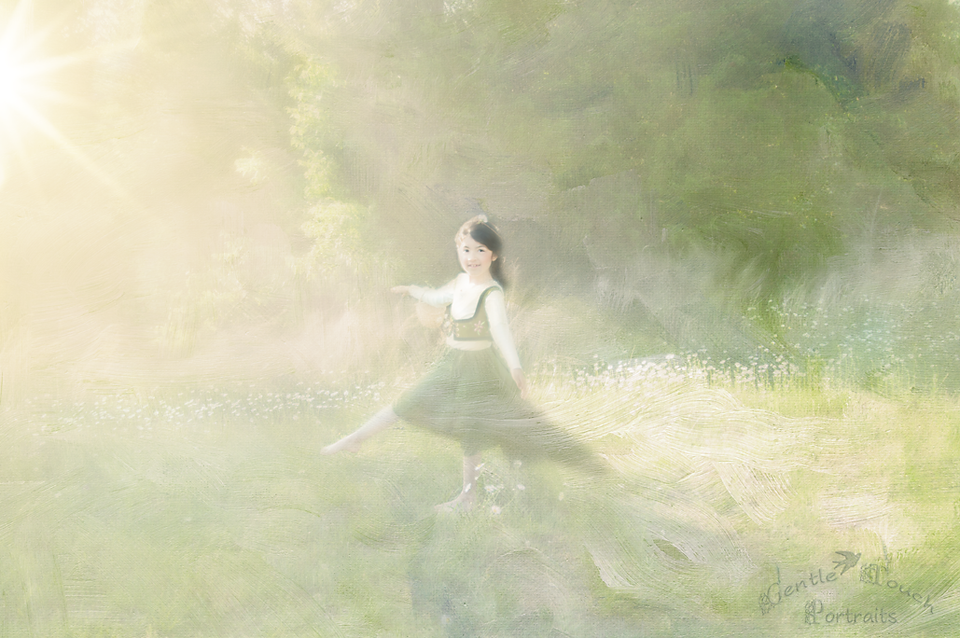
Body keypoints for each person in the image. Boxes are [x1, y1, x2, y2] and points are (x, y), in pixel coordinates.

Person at [321, 215, 598, 511]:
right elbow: (435, 296)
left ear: (492, 255)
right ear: (458, 251)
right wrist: (412, 290)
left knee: (471, 429)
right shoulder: (459, 283)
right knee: (410, 399)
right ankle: (355, 439)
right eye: (466, 249)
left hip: (478, 368)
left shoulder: (491, 293)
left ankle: (468, 496)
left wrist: (515, 367)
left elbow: (501, 330)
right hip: (450, 361)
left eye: (480, 250)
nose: (472, 257)